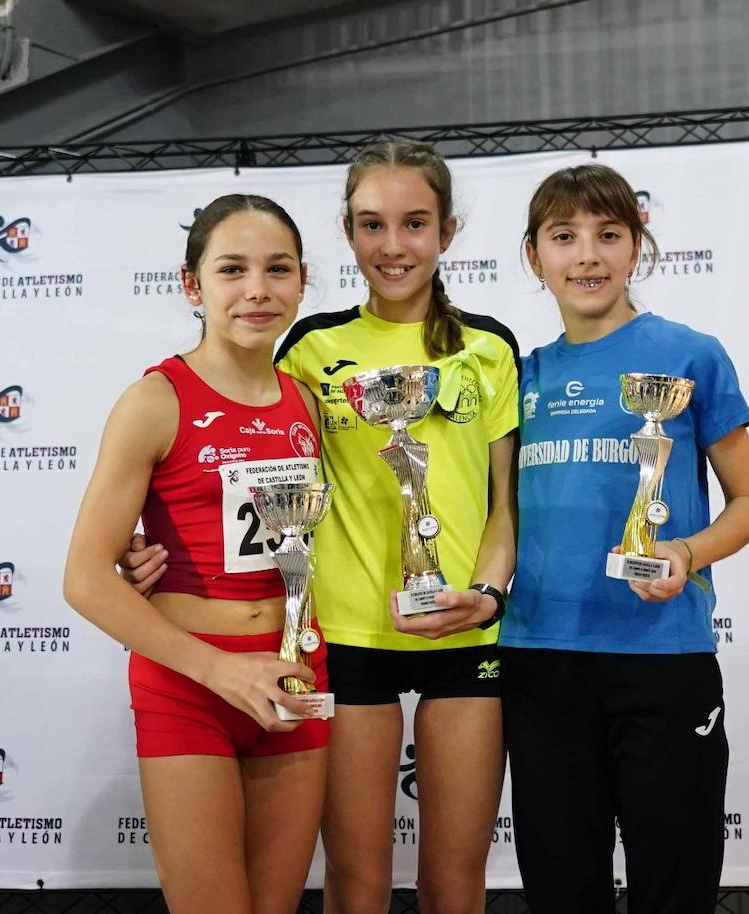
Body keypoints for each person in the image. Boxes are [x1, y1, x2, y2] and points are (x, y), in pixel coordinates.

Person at [120, 141, 519, 914]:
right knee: (358, 885)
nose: (394, 246)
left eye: (415, 223)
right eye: (373, 225)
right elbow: (251, 471)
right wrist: (156, 550)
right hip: (339, 638)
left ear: (449, 229)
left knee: (455, 884)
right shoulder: (309, 351)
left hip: (465, 636)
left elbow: (508, 505)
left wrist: (490, 595)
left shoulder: (491, 348)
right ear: (347, 233)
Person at [500, 163, 749, 914]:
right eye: (565, 236)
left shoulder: (693, 356)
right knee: (562, 891)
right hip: (540, 660)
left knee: (674, 888)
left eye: (608, 234)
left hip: (661, 657)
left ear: (637, 247)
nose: (587, 255)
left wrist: (685, 553)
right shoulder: (516, 376)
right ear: (534, 256)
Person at [64, 194, 330, 914]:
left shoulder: (307, 403)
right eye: (232, 269)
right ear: (193, 285)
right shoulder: (155, 399)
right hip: (192, 686)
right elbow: (85, 580)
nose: (257, 290)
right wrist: (220, 672)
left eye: (277, 270)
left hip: (294, 672)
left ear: (302, 281)